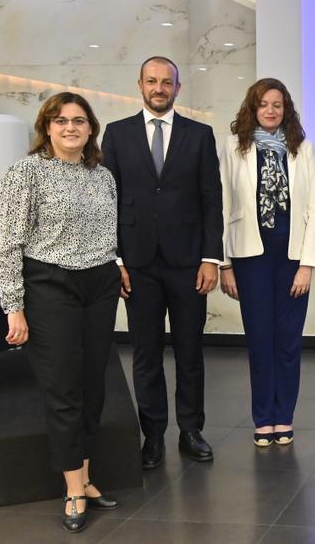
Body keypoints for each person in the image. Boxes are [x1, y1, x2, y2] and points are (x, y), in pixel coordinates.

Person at [0, 92, 122, 532]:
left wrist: (117, 267)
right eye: (61, 120)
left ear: (91, 129)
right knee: (64, 387)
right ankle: (72, 488)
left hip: (100, 285)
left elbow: (110, 233)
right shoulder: (25, 172)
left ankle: (85, 479)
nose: (71, 128)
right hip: (50, 287)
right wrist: (13, 306)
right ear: (46, 127)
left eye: (79, 121)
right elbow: (7, 244)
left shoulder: (102, 176)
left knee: (93, 385)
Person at [101, 56, 222, 469]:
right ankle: (152, 437)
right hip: (137, 265)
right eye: (152, 81)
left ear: (178, 87)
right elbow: (107, 202)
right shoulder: (116, 135)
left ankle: (191, 430)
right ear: (139, 85)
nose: (159, 88)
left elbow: (212, 199)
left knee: (190, 351)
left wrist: (211, 258)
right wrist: (114, 260)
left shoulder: (200, 135)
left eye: (166, 82)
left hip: (189, 262)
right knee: (146, 354)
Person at [218, 78, 315, 447]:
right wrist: (225, 263)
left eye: (277, 105)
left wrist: (308, 264)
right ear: (253, 107)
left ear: (286, 110)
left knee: (288, 343)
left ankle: (284, 417)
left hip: (292, 259)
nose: (270, 110)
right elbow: (223, 205)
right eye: (263, 104)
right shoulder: (234, 147)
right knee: (260, 340)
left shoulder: (303, 149)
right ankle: (263, 418)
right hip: (250, 259)